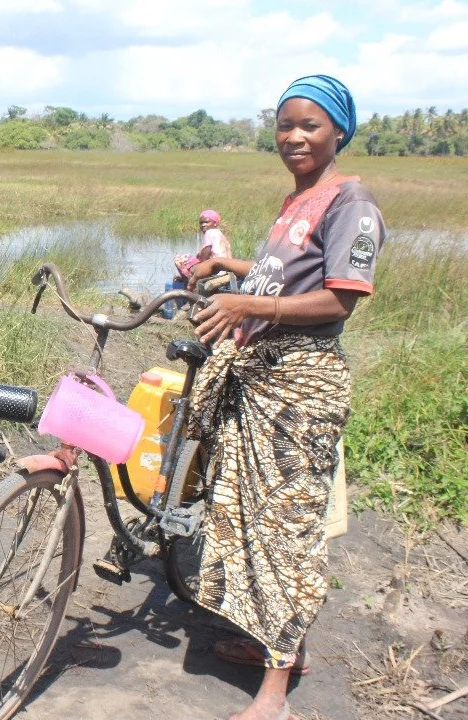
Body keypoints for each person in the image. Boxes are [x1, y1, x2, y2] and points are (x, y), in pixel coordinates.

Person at [185, 75, 384, 720]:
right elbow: (284, 272)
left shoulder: (352, 203)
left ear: (339, 134)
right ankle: (274, 646)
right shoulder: (299, 200)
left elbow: (340, 298)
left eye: (311, 126)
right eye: (285, 125)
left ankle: (275, 696)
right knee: (246, 515)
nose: (295, 136)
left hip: (299, 386)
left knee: (288, 529)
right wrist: (230, 268)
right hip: (258, 372)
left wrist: (248, 303)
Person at [175, 209, 233, 280]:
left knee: (180, 260)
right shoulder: (220, 234)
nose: (203, 225)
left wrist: (197, 269)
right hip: (226, 269)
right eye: (201, 223)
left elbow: (205, 256)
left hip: (217, 270)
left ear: (215, 223)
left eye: (206, 222)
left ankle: (188, 282)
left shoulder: (210, 232)